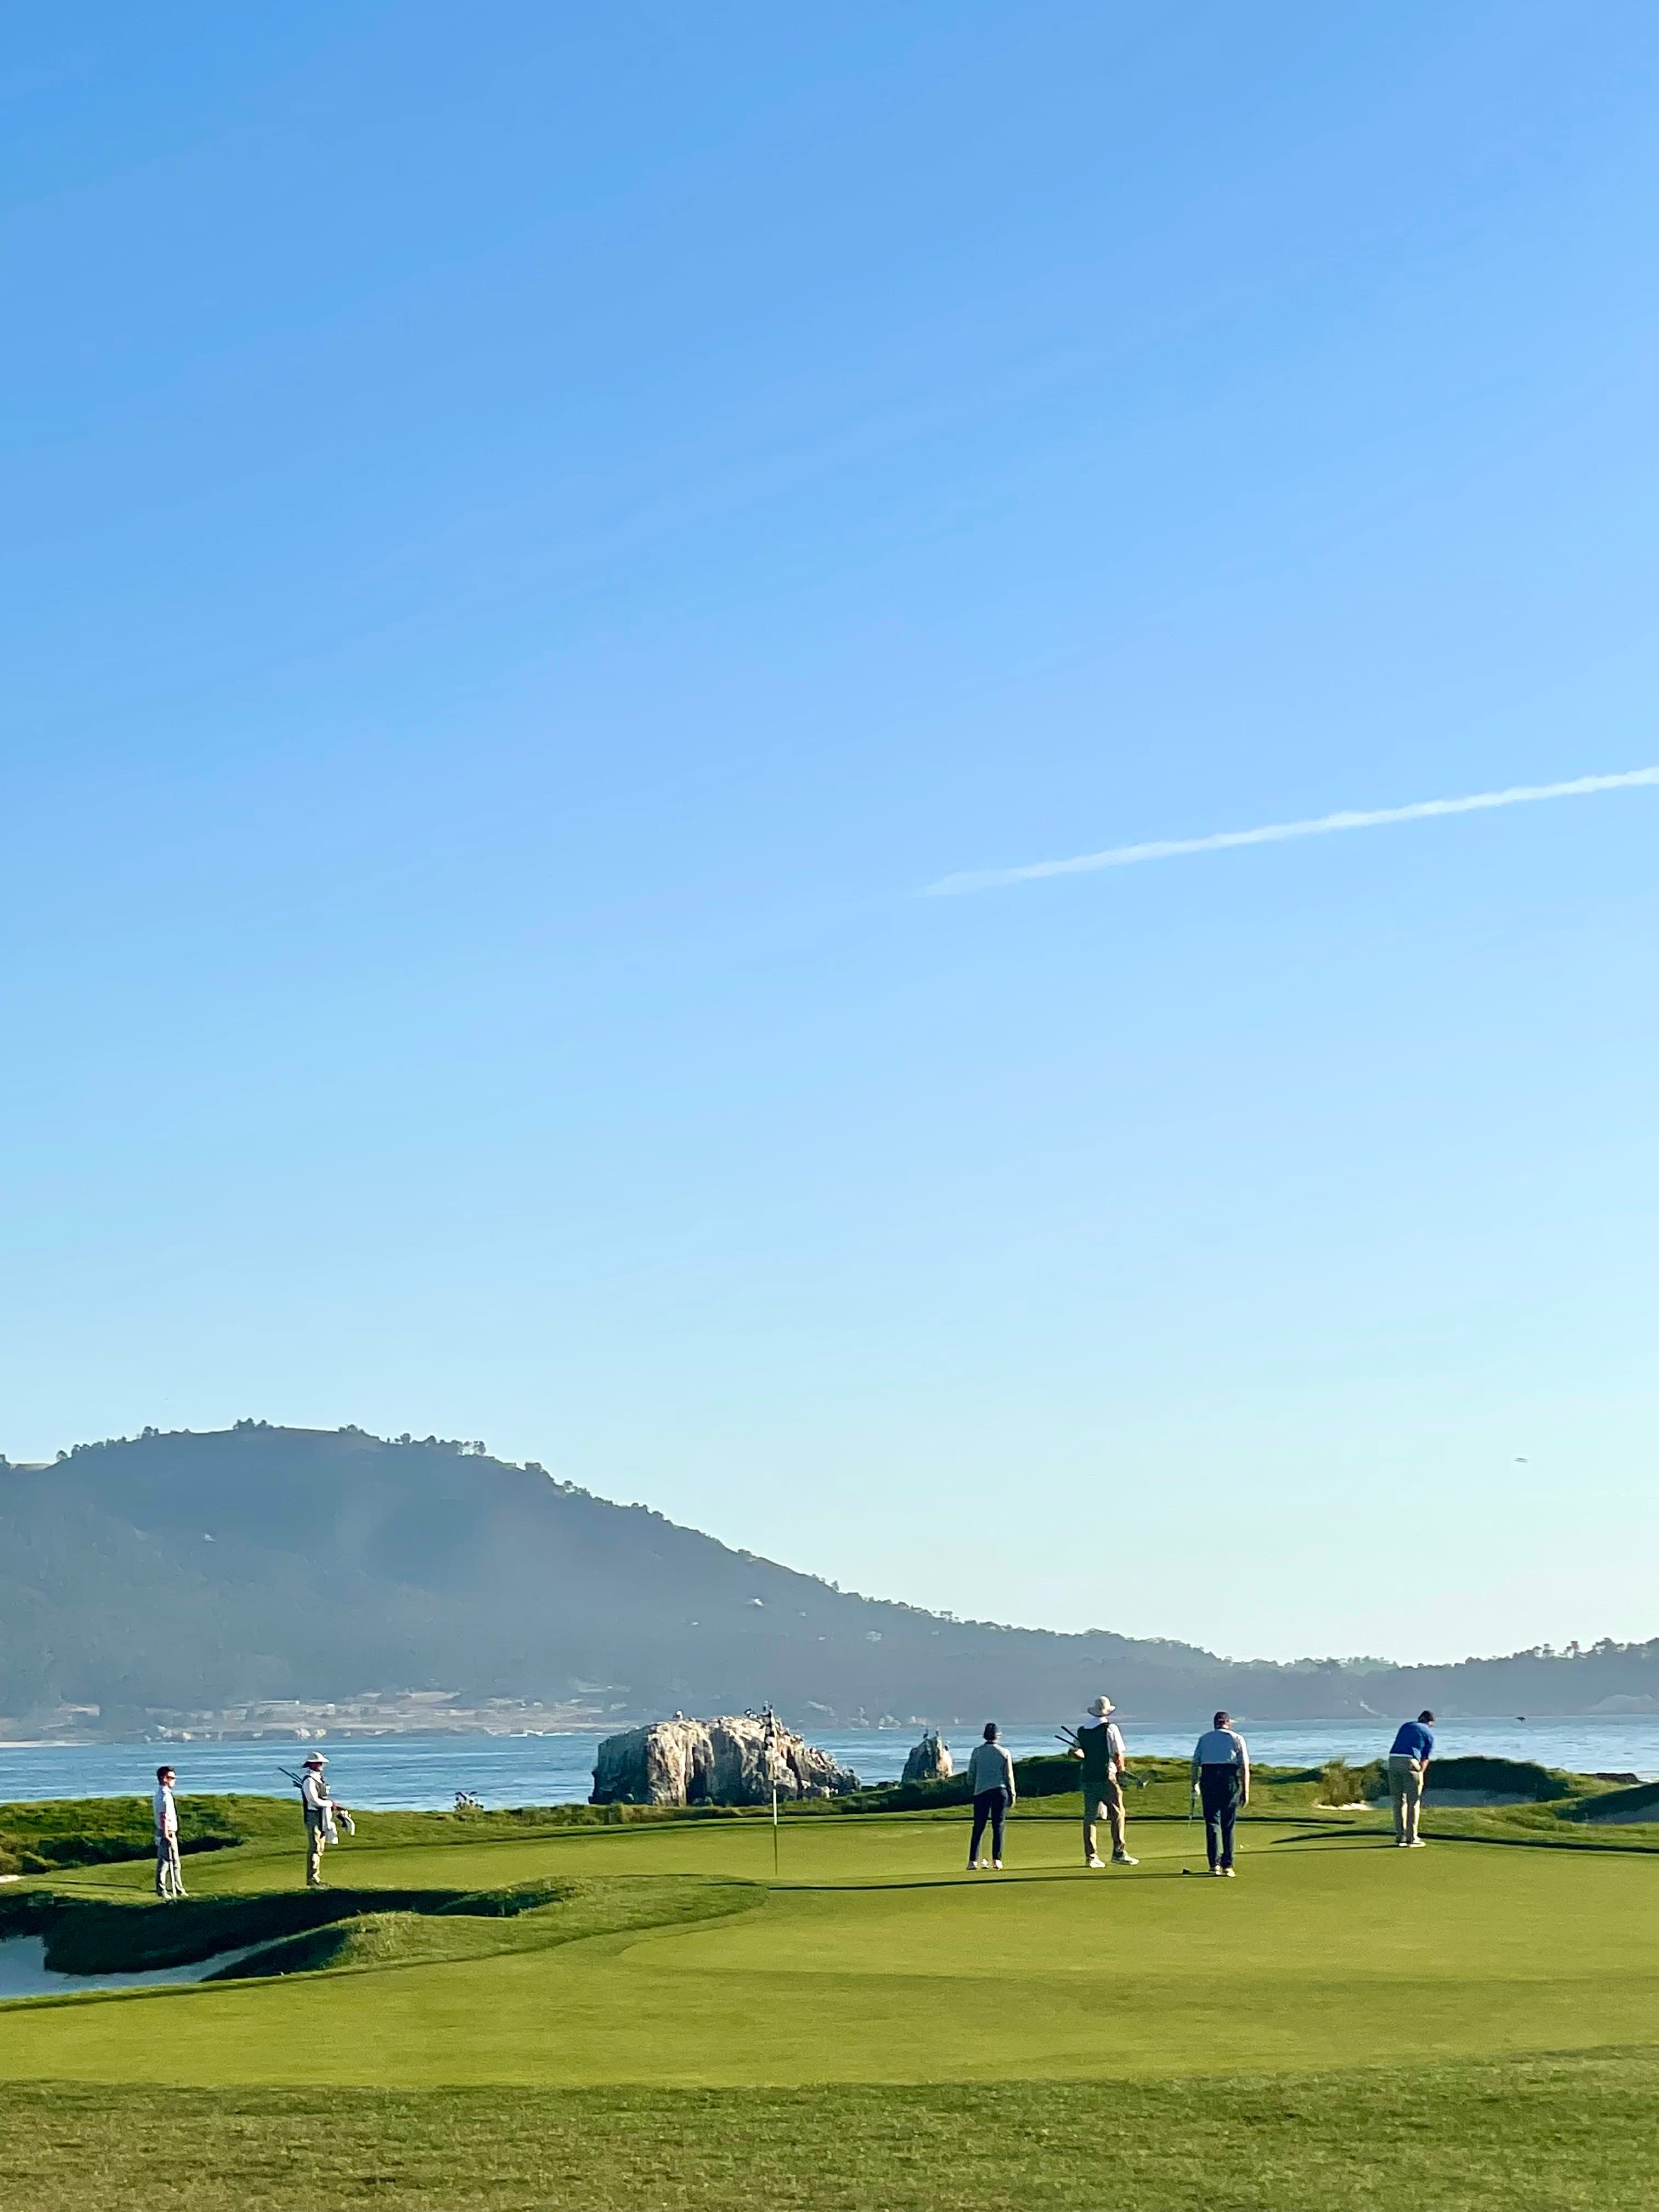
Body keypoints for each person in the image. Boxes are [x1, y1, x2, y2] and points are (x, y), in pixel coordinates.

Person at [1073, 1695, 1138, 1867]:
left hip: (1088, 1776)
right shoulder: (1110, 1728)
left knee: (1090, 1817)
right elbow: (1118, 1753)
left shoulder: (1082, 1730)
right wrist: (1121, 1771)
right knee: (1117, 1813)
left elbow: (1075, 1752)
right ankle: (1119, 1852)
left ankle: (1091, 1857)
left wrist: (1086, 1756)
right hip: (1106, 1775)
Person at [1190, 1711, 1250, 1876]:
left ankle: (1214, 1865)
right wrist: (1246, 1790)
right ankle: (1227, 1866)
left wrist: (1194, 1784)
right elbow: (1244, 1766)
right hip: (1229, 1780)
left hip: (1209, 1780)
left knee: (1212, 1823)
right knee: (1228, 1824)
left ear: (1215, 1723)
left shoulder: (1205, 1739)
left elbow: (1195, 1764)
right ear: (1228, 1723)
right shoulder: (1237, 1739)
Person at [965, 1722, 1016, 1870]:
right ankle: (997, 1860)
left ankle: (973, 1861)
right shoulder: (1004, 1752)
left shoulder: (977, 1752)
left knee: (979, 1827)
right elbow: (1009, 1776)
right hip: (1000, 1792)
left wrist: (972, 1786)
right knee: (998, 1826)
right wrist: (1012, 1794)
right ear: (997, 1735)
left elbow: (971, 1775)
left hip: (981, 1792)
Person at [1387, 1710, 1436, 1848]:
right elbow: (1425, 1759)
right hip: (1410, 1761)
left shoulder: (1406, 1725)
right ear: (1430, 1722)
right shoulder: (1429, 1734)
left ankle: (1400, 1836)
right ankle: (1412, 1838)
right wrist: (1420, 1772)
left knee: (1398, 1801)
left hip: (1393, 1760)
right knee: (1413, 1802)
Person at [297, 1752, 334, 1886]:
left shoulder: (319, 1780)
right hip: (313, 1816)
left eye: (321, 1763)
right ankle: (312, 1879)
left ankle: (316, 1877)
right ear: (311, 1764)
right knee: (315, 1847)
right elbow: (313, 1801)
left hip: (323, 1816)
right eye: (318, 1763)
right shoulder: (309, 1781)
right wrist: (330, 1804)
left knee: (320, 1848)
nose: (321, 1765)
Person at [153, 1764, 186, 1899]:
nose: (174, 1780)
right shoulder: (164, 1796)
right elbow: (164, 1816)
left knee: (169, 1862)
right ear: (164, 1779)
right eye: (171, 1778)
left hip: (165, 1830)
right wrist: (167, 1835)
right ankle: (169, 1890)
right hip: (167, 1831)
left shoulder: (162, 1794)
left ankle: (176, 1889)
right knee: (169, 1862)